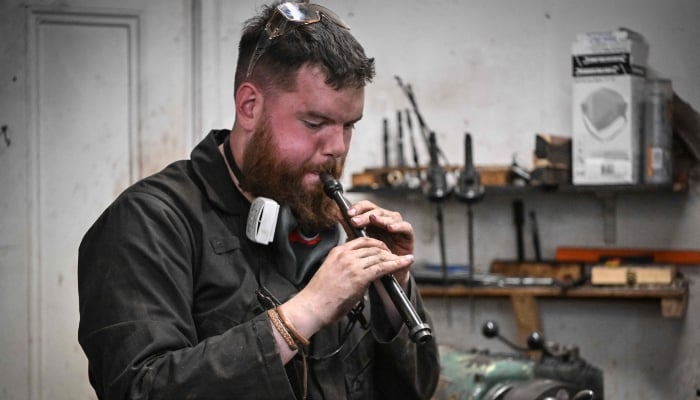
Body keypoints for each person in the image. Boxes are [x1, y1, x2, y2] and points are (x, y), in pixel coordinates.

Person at [78, 1, 440, 399]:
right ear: (250, 107)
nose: (337, 148)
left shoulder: (323, 212)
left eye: (348, 126)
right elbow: (139, 390)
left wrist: (393, 294)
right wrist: (305, 313)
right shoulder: (150, 222)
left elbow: (415, 391)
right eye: (315, 123)